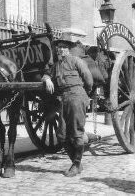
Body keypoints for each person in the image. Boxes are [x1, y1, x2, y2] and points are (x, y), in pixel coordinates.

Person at [42, 33, 94, 177]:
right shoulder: (56, 66)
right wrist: (47, 79)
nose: (60, 50)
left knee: (76, 133)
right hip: (63, 100)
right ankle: (77, 163)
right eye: (58, 47)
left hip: (77, 96)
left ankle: (76, 165)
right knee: (62, 135)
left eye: (64, 47)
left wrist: (84, 95)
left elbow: (88, 79)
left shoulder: (76, 61)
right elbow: (47, 74)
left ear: (68, 49)